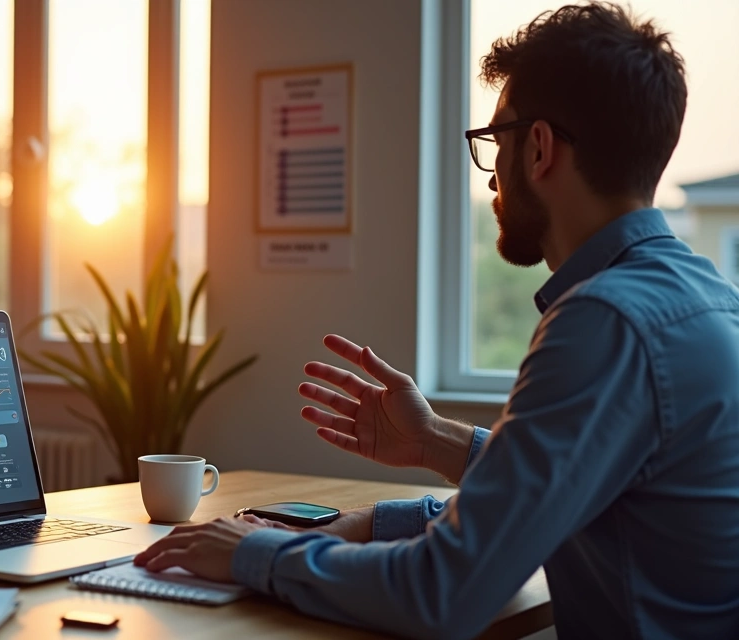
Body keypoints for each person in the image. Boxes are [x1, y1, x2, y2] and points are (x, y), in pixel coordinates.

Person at [133, 4, 739, 638]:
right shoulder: (709, 299)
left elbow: (441, 593)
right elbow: (563, 489)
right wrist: (434, 443)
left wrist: (253, 553)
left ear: (538, 149)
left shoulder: (605, 323)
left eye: (495, 142)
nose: (493, 176)